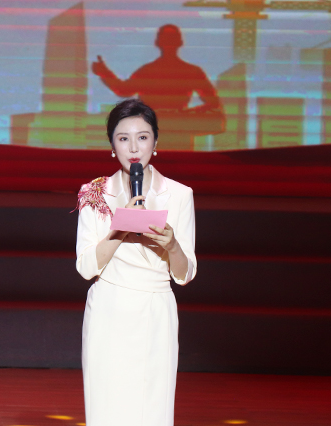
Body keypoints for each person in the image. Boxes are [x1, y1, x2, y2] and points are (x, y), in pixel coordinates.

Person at [75, 99, 196, 425]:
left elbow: (185, 274)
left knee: (151, 408)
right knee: (107, 406)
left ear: (155, 142)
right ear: (111, 145)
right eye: (123, 138)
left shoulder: (179, 194)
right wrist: (119, 228)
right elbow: (85, 267)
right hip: (109, 309)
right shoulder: (94, 194)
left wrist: (172, 245)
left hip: (155, 311)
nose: (133, 148)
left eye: (142, 137)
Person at [92, 24, 221, 114]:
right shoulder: (193, 72)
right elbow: (213, 102)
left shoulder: (148, 71)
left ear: (158, 43)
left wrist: (104, 73)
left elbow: (123, 90)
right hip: (169, 130)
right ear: (180, 42)